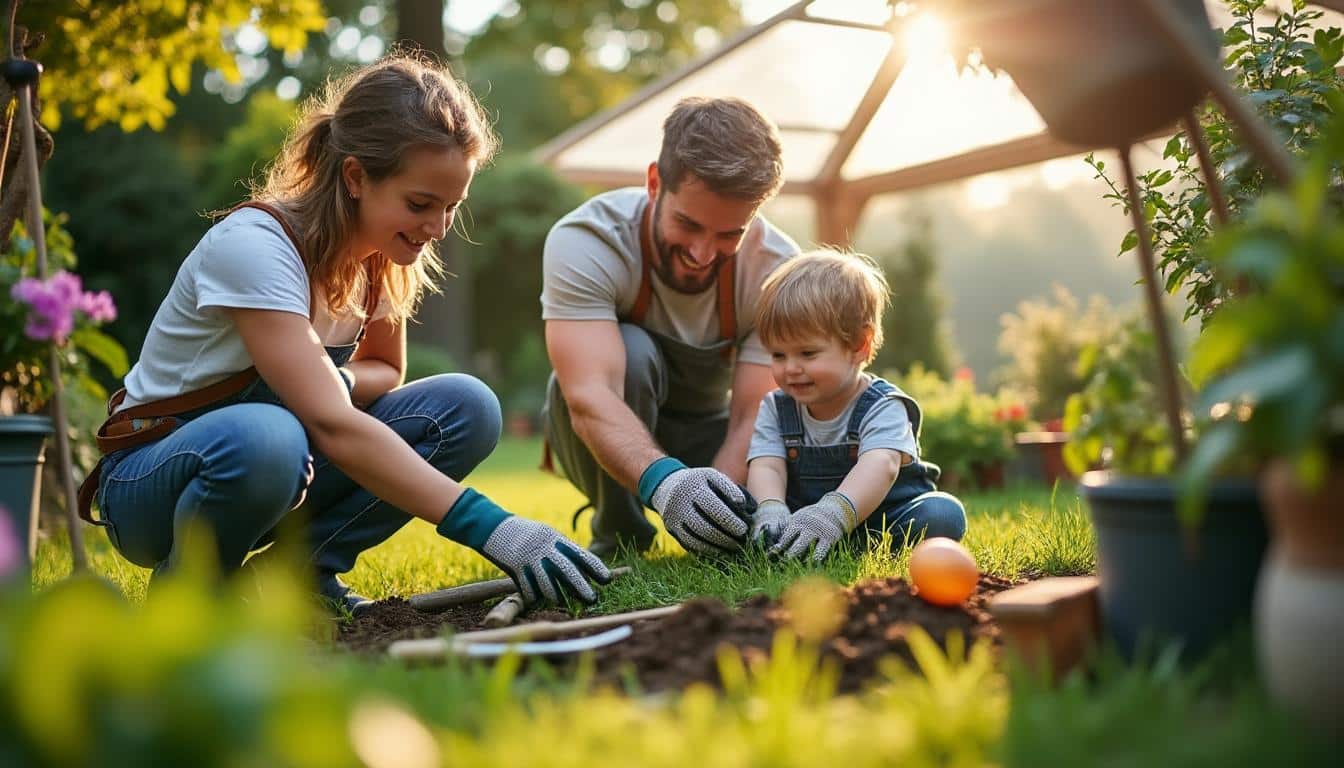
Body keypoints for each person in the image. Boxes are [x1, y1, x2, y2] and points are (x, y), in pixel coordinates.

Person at [85, 55, 609, 612]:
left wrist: (321, 380)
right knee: (269, 435)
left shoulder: (381, 256)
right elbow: (333, 424)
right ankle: (189, 598)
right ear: (356, 177)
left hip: (284, 460)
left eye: (451, 207)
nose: (437, 230)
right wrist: (495, 528)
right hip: (151, 481)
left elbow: (387, 372)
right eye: (420, 204)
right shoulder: (256, 247)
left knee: (466, 407)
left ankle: (298, 577)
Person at [541, 97, 800, 559]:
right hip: (604, 436)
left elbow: (753, 415)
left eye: (728, 235)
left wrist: (716, 508)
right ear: (655, 183)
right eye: (688, 223)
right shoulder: (588, 240)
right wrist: (667, 482)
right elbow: (589, 395)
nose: (703, 253)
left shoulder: (776, 269)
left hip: (713, 432)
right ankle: (620, 533)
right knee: (633, 350)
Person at [744, 250, 967, 562]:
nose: (790, 368)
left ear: (859, 345)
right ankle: (786, 544)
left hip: (876, 523)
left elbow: (881, 464)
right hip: (798, 522)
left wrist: (833, 515)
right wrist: (770, 509)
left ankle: (847, 550)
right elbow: (767, 465)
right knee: (734, 508)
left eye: (807, 353)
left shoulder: (883, 406)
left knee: (942, 512)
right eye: (778, 355)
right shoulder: (776, 407)